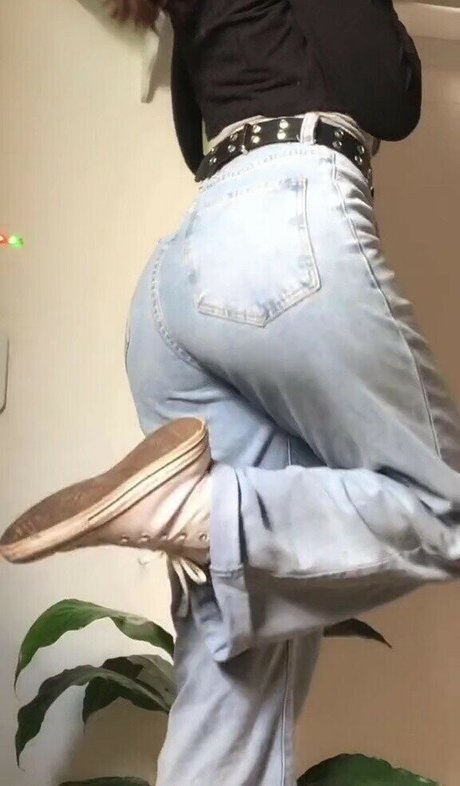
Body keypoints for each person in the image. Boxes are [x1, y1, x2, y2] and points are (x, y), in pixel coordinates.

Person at [3, 1, 460, 783]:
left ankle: (203, 515)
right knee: (442, 506)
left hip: (180, 285)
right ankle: (201, 510)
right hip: (282, 246)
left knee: (231, 698)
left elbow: (196, 138)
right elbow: (390, 93)